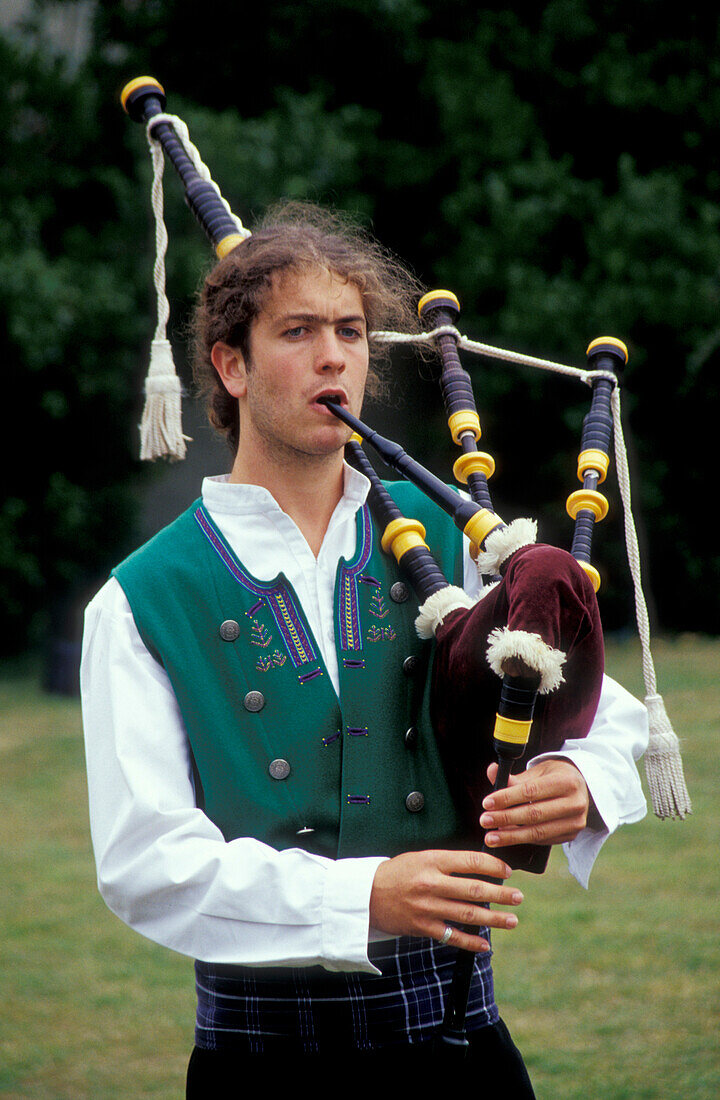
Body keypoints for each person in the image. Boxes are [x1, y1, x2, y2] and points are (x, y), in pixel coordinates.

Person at [80, 203, 648, 1093]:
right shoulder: (142, 600)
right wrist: (364, 897)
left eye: (350, 330)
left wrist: (584, 781)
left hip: (461, 1043)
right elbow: (144, 864)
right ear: (230, 364)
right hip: (258, 1062)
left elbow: (607, 714)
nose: (333, 355)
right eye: (297, 331)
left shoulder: (453, 536)